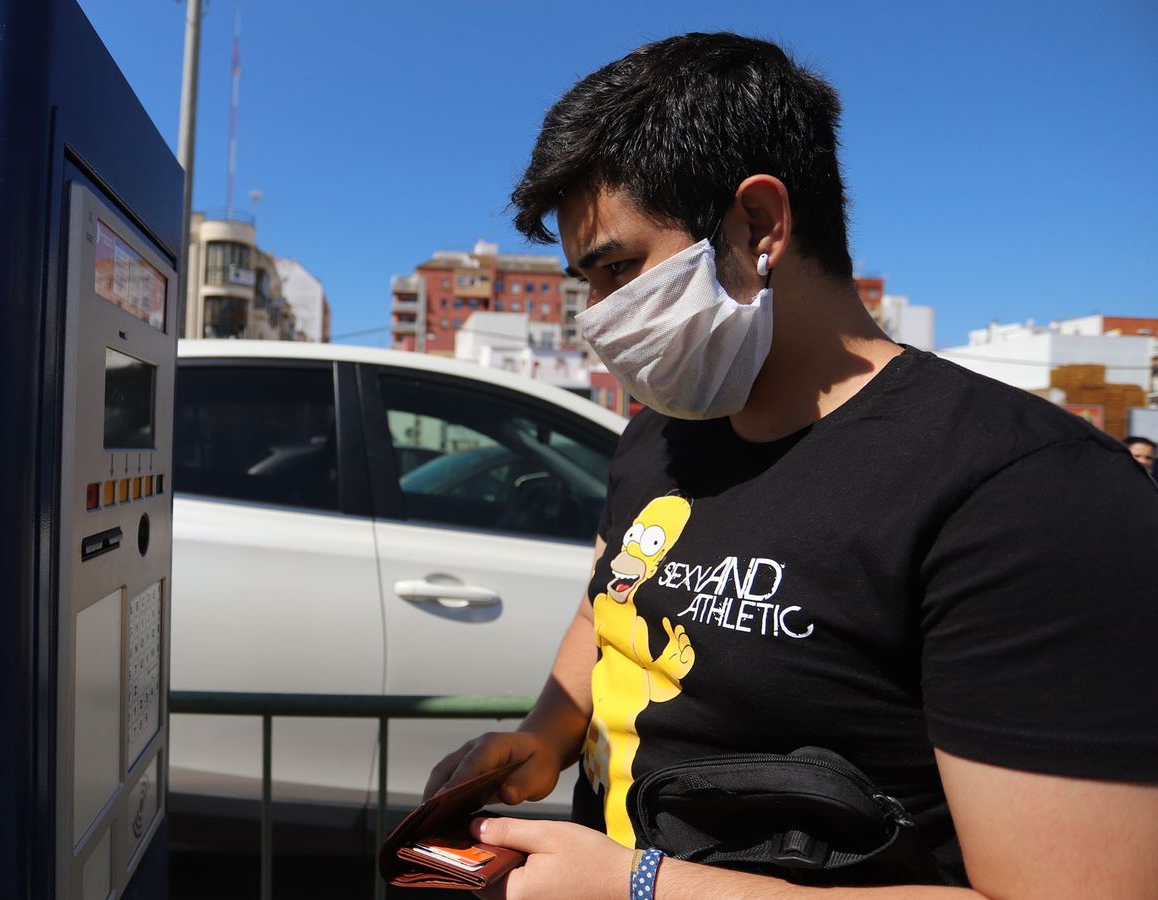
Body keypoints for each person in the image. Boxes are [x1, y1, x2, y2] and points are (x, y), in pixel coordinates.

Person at [423, 32, 1158, 900]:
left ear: (760, 225)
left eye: (618, 267)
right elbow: (610, 599)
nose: (598, 316)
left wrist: (642, 887)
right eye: (585, 280)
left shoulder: (1030, 494)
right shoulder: (656, 434)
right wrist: (546, 733)